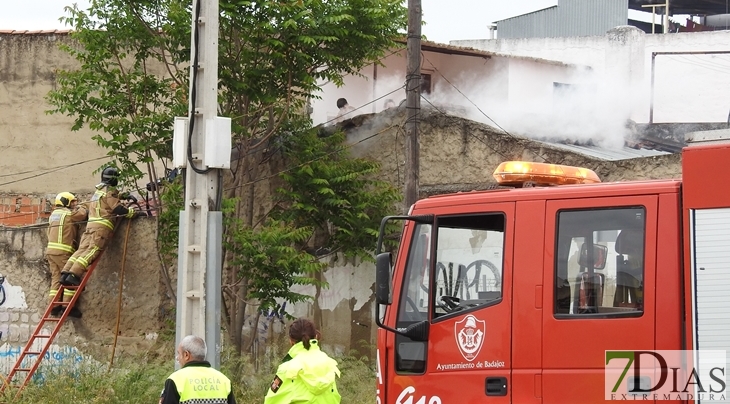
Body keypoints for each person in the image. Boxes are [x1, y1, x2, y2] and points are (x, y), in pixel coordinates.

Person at [60, 167, 143, 290]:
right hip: (101, 229)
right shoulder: (108, 193)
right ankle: (74, 274)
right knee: (92, 251)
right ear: (114, 180)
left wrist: (124, 195)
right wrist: (133, 213)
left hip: (90, 228)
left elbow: (110, 197)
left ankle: (66, 273)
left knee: (81, 250)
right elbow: (118, 209)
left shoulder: (98, 193)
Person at [264, 318, 341, 404]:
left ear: (291, 341)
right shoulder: (329, 363)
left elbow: (271, 401)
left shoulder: (288, 368)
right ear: (315, 336)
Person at [45, 192, 88, 318]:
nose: (74, 204)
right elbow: (82, 214)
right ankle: (67, 307)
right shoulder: (68, 214)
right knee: (69, 278)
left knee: (56, 278)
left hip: (51, 252)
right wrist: (82, 205)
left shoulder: (54, 214)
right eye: (73, 202)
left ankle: (54, 307)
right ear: (66, 202)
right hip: (63, 251)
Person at [159, 335, 236, 404]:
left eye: (179, 353)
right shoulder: (224, 380)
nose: (177, 358)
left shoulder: (175, 380)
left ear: (186, 355)